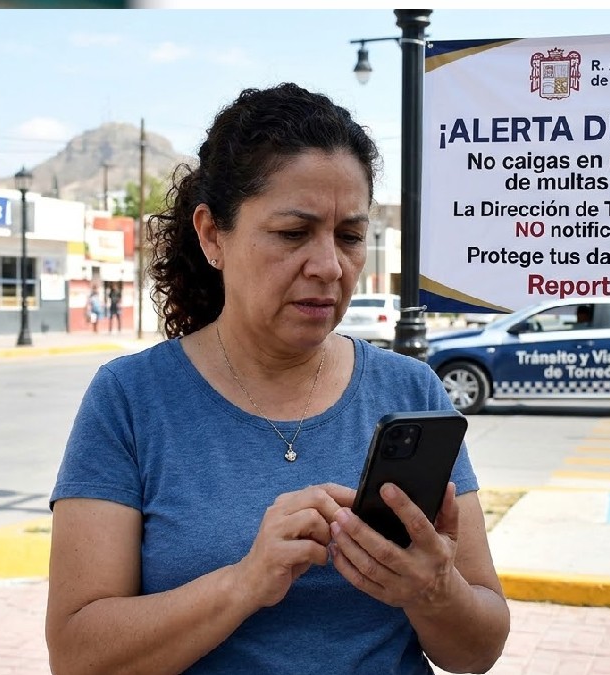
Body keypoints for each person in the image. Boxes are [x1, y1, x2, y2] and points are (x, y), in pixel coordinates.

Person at [46, 83, 509, 675]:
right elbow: (77, 655)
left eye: (349, 236)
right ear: (213, 234)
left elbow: (479, 650)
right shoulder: (132, 400)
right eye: (294, 233)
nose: (329, 265)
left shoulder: (410, 390)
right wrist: (245, 583)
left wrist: (434, 588)